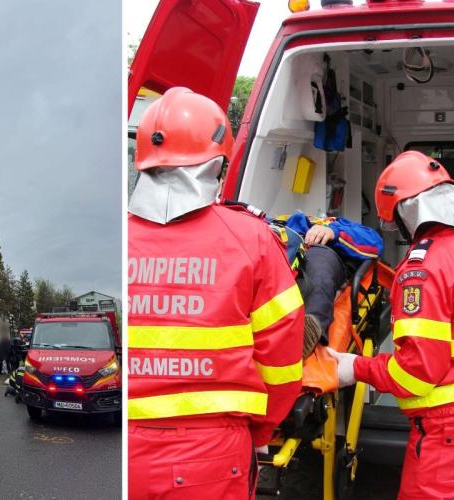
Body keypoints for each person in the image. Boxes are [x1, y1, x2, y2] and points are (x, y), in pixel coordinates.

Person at [128, 88, 304, 498]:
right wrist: (260, 429)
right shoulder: (251, 239)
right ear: (218, 164)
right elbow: (282, 360)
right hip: (211, 454)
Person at [329, 150, 454, 499]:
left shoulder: (421, 272)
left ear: (406, 213)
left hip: (450, 429)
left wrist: (355, 368)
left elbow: (416, 373)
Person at [280, 211, 383, 357]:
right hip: (284, 248)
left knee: (319, 272)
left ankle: (311, 328)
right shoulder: (284, 221)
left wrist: (333, 232)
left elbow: (375, 243)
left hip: (320, 251)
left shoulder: (340, 225)